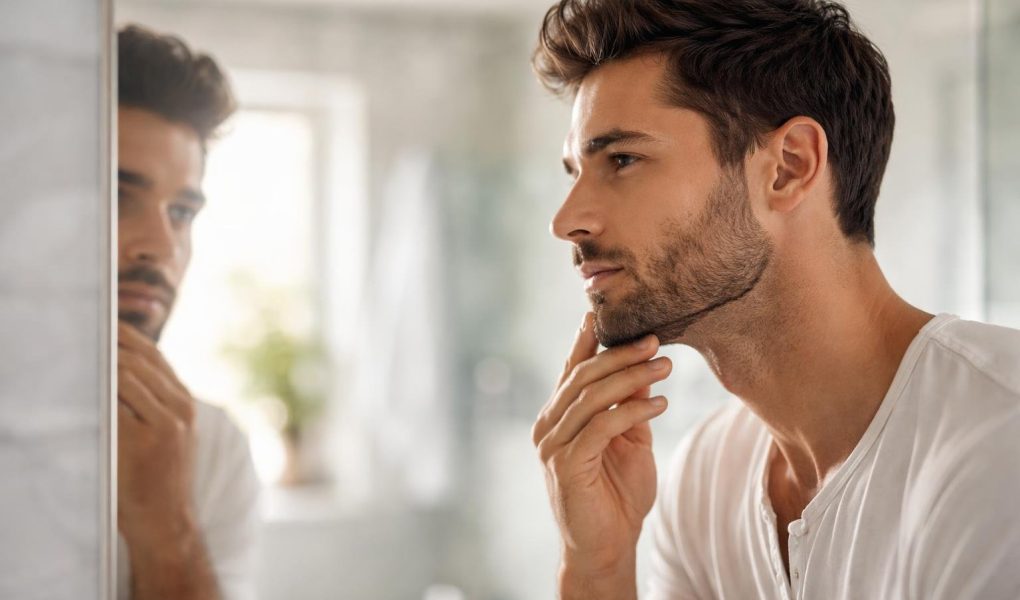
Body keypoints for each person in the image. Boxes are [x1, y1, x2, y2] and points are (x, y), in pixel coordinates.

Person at [528, 1, 1020, 599]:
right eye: (574, 172)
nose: (566, 220)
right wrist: (597, 566)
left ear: (788, 168)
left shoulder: (1001, 443)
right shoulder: (707, 480)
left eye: (623, 160)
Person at [116, 24, 260, 600]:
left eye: (181, 211)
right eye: (117, 196)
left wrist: (167, 525)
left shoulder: (213, 450)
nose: (162, 246)